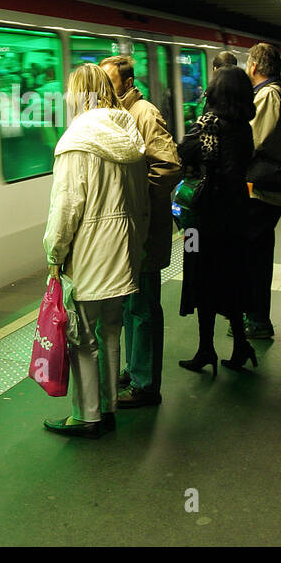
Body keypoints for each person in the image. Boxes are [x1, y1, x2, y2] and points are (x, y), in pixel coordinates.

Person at [43, 63, 149, 437]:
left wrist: (55, 255)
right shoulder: (129, 131)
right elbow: (142, 200)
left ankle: (86, 416)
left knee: (81, 336)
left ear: (79, 94)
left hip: (89, 253)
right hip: (123, 250)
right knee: (111, 330)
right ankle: (108, 407)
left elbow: (66, 208)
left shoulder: (77, 140)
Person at [99, 56, 181, 410]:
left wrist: (138, 200)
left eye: (108, 81)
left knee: (144, 303)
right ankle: (134, 370)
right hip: (130, 229)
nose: (103, 89)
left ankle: (146, 385)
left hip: (144, 226)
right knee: (132, 301)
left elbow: (168, 166)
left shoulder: (144, 113)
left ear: (126, 82)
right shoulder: (119, 114)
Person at [177, 65, 257, 373]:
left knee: (201, 279)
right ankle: (240, 345)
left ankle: (206, 349)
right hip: (235, 215)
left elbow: (183, 152)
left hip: (203, 220)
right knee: (232, 279)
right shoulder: (243, 128)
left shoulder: (208, 125)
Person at [237, 43, 281, 340]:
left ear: (255, 67)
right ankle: (254, 316)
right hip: (265, 189)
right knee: (255, 254)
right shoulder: (273, 92)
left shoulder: (268, 95)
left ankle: (258, 320)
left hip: (263, 189)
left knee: (255, 256)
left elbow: (253, 139)